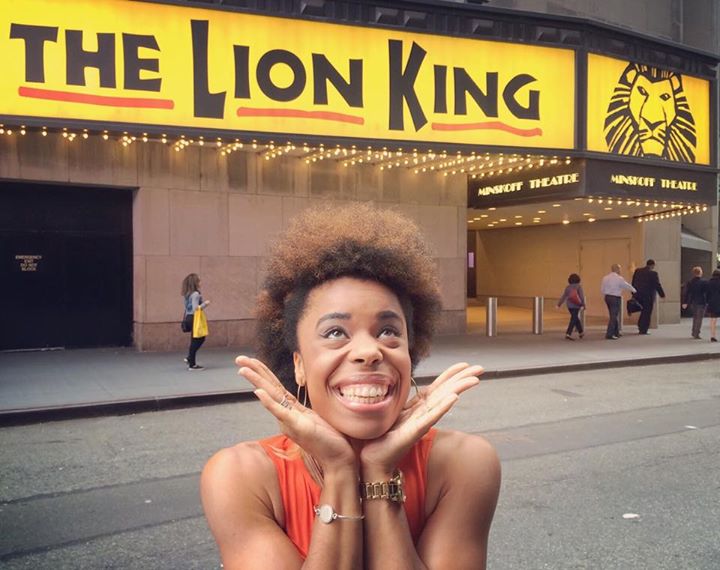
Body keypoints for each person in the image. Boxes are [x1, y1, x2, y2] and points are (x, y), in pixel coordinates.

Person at [200, 204, 501, 570]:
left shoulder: (463, 463)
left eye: (388, 331)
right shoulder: (240, 476)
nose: (368, 352)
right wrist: (339, 470)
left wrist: (378, 471)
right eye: (335, 333)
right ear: (298, 365)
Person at [181, 273, 210, 370]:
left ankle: (191, 360)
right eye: (199, 281)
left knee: (195, 340)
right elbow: (195, 309)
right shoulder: (196, 294)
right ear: (195, 282)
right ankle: (191, 361)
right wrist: (205, 304)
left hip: (188, 317)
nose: (200, 282)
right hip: (195, 318)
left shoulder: (187, 294)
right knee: (200, 338)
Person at [600, 264, 636, 340]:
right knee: (613, 316)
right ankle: (609, 334)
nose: (620, 270)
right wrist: (634, 290)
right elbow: (626, 285)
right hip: (615, 298)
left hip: (607, 297)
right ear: (617, 269)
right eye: (620, 269)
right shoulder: (619, 278)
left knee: (613, 315)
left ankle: (616, 332)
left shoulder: (605, 278)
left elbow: (602, 289)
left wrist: (606, 293)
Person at [631, 259, 666, 335]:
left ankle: (640, 325)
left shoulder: (637, 271)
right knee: (646, 313)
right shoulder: (653, 274)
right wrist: (662, 295)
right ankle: (643, 329)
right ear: (652, 265)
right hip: (648, 296)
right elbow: (657, 285)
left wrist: (633, 293)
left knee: (643, 311)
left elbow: (633, 282)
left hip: (638, 295)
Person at [557, 273, 586, 340]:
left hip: (569, 306)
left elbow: (564, 296)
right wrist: (583, 305)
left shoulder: (568, 287)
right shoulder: (579, 286)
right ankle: (568, 333)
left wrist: (559, 304)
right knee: (573, 319)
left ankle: (581, 332)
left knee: (575, 318)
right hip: (576, 305)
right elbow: (581, 296)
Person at [682, 266, 707, 340]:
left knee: (695, 317)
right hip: (701, 302)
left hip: (693, 302)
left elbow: (687, 293)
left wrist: (685, 302)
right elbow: (706, 292)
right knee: (699, 318)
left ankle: (693, 332)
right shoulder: (704, 282)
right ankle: (696, 333)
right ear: (700, 272)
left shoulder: (690, 282)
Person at [706, 269, 720, 342]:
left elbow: (707, 293)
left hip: (711, 302)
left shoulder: (709, 282)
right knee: (714, 319)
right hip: (718, 302)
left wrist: (707, 301)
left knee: (712, 319)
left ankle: (712, 335)